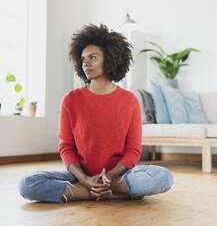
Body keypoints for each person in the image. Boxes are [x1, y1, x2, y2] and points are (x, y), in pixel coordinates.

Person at [18, 23, 173, 203]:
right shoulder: (70, 100)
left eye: (92, 57)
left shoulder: (129, 101)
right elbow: (66, 147)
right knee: (27, 184)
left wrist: (110, 178)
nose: (85, 62)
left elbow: (133, 150)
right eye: (83, 58)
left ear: (110, 59)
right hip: (80, 177)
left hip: (118, 177)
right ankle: (104, 192)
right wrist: (85, 179)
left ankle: (95, 190)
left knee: (163, 177)